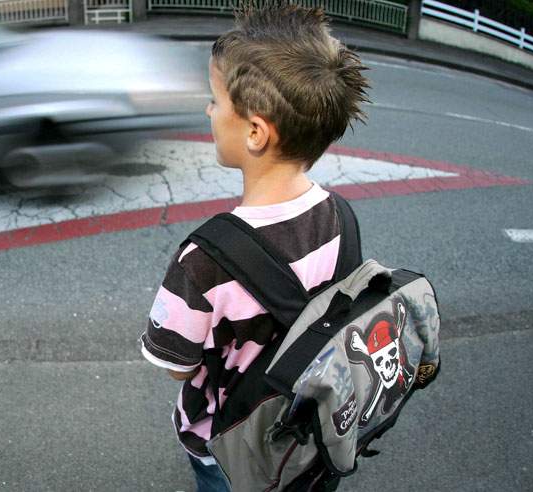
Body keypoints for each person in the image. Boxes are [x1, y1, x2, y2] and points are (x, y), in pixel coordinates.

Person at [139, 2, 370, 490]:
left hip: (230, 445)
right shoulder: (340, 216)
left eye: (216, 100)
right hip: (304, 436)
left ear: (254, 132)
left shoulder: (206, 259)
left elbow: (177, 368)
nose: (208, 109)